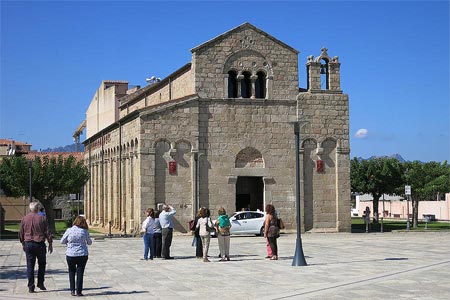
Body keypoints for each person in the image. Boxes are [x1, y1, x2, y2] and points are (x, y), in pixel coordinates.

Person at [19, 201, 53, 293]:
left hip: (28, 243)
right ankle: (40, 282)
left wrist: (23, 242)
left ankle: (31, 286)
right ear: (37, 209)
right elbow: (47, 232)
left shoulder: (24, 219)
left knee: (30, 265)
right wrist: (50, 243)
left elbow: (21, 232)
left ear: (30, 209)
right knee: (42, 264)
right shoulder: (42, 218)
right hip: (39, 243)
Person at [61, 215, 92, 297]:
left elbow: (62, 241)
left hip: (70, 254)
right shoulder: (84, 231)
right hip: (82, 254)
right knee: (80, 272)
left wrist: (68, 242)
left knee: (71, 271)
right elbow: (89, 242)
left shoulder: (69, 230)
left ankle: (72, 290)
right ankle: (79, 291)